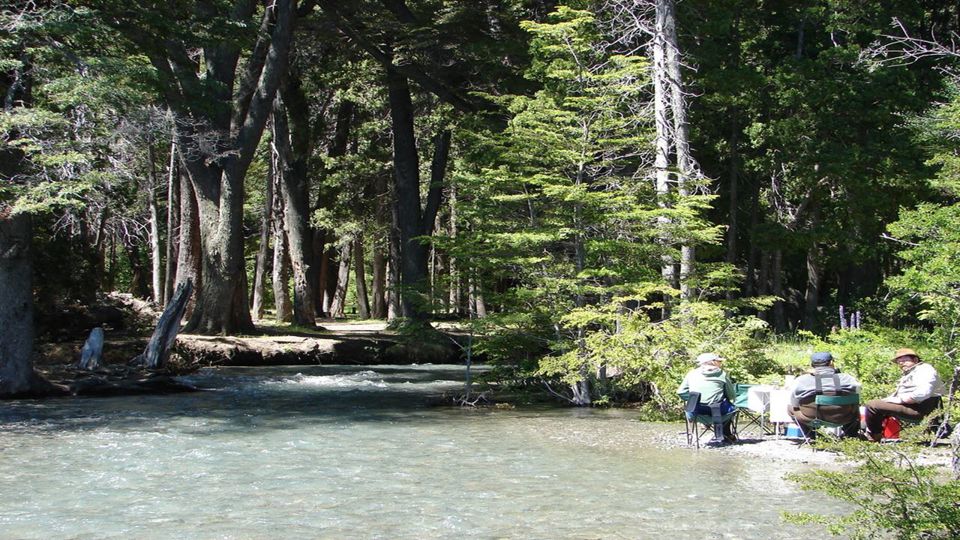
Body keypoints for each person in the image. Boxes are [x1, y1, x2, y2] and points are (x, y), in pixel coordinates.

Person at [864, 348, 946, 442]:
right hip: (913, 406)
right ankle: (874, 434)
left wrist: (900, 400)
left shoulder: (925, 370)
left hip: (920, 409)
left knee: (873, 405)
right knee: (877, 403)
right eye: (899, 362)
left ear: (915, 360)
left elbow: (923, 392)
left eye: (905, 360)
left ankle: (874, 436)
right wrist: (887, 400)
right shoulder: (912, 371)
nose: (901, 363)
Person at [787, 352, 861, 438]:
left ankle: (811, 435)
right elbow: (857, 396)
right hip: (843, 418)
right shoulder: (847, 378)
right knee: (855, 408)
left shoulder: (801, 380)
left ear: (812, 365)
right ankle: (850, 436)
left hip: (813, 418)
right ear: (831, 363)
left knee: (791, 408)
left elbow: (794, 403)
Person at [677, 352, 736, 444]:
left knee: (703, 405)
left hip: (696, 413)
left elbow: (680, 392)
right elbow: (731, 395)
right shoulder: (722, 374)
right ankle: (726, 434)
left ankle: (695, 434)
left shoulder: (691, 374)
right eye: (718, 361)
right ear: (712, 362)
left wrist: (693, 399)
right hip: (720, 413)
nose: (720, 363)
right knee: (729, 406)